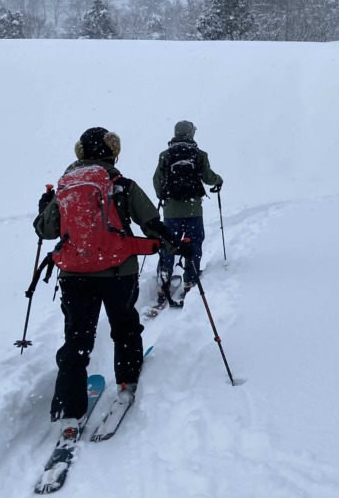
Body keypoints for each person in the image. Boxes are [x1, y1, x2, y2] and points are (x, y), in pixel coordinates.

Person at [34, 126, 185, 440]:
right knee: (125, 327)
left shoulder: (64, 188)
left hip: (74, 275)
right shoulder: (121, 185)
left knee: (76, 339)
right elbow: (151, 222)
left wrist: (44, 205)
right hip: (118, 272)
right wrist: (174, 244)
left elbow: (45, 230)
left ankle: (70, 414)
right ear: (112, 152)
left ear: (80, 154)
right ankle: (127, 384)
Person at [152, 120, 223, 304]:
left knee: (169, 243)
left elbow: (157, 179)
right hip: (193, 210)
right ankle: (189, 280)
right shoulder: (199, 154)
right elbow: (208, 177)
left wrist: (164, 196)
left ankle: (164, 280)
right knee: (194, 243)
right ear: (191, 133)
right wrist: (218, 180)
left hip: (171, 211)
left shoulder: (165, 155)